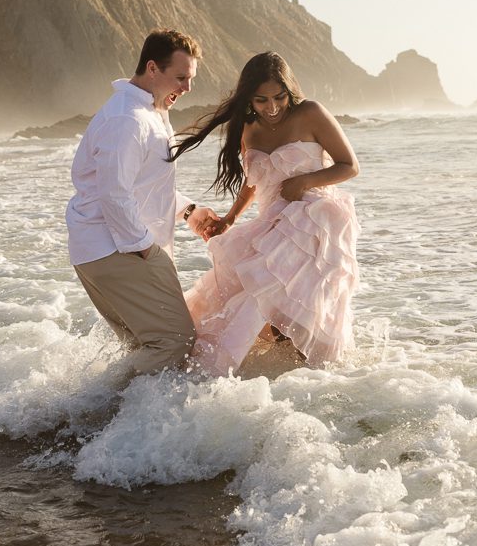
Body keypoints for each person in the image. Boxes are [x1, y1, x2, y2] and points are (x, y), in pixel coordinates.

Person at [170, 51, 361, 376]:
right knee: (260, 300)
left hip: (314, 221)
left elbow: (350, 166)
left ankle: (215, 377)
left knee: (269, 296)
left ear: (289, 91)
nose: (272, 107)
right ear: (249, 99)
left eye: (279, 97)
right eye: (261, 100)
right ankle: (215, 375)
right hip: (272, 224)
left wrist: (304, 181)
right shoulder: (247, 129)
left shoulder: (310, 113)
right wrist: (229, 218)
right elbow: (254, 181)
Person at [66, 29, 220, 377]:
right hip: (117, 249)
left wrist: (189, 211)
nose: (187, 88)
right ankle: (93, 410)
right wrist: (143, 249)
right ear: (153, 68)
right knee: (174, 341)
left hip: (100, 249)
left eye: (190, 78)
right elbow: (113, 192)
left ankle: (111, 423)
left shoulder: (147, 111)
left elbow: (141, 186)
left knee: (146, 345)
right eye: (181, 78)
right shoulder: (127, 118)